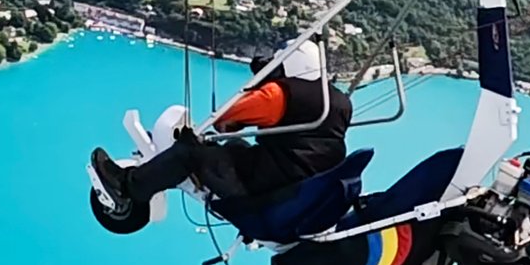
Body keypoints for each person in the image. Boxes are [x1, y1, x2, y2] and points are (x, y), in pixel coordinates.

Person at [91, 40, 352, 206]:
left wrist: (260, 89)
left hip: (269, 189)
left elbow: (225, 119)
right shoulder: (340, 102)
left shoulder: (279, 94)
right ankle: (182, 171)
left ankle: (127, 187)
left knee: (190, 152)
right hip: (305, 188)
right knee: (235, 145)